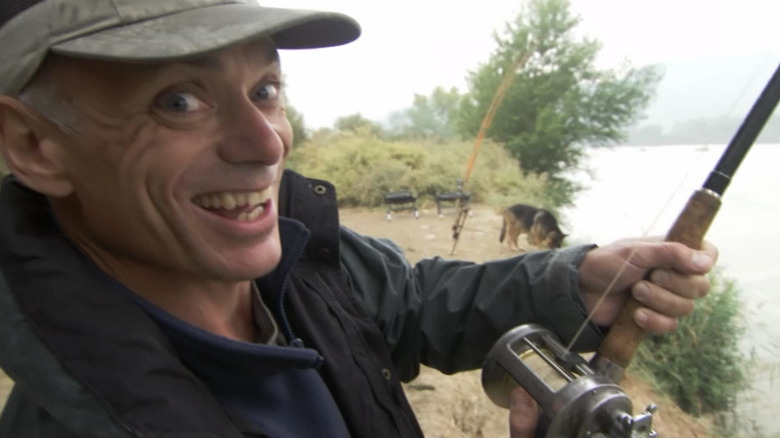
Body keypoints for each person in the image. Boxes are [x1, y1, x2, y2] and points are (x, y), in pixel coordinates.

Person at [0, 1, 716, 437]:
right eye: (179, 101)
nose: (266, 143)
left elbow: (406, 304)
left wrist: (575, 286)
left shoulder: (294, 253)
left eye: (266, 88)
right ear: (36, 146)